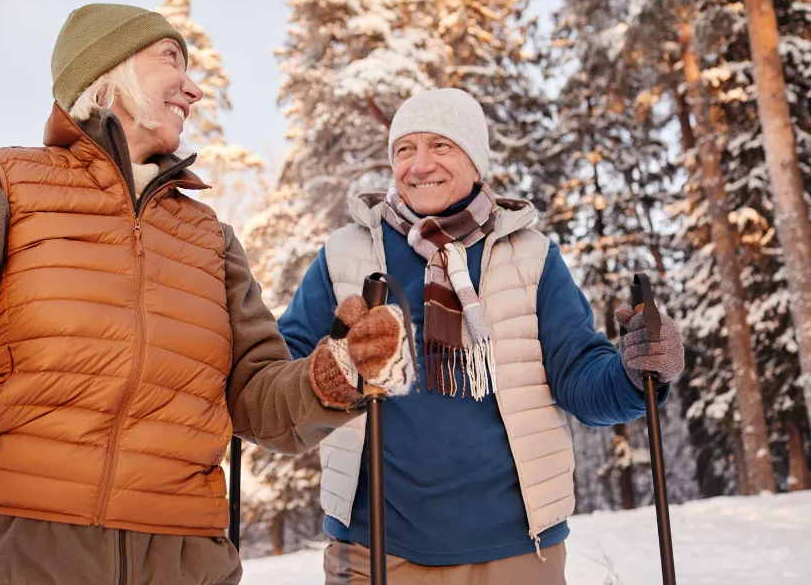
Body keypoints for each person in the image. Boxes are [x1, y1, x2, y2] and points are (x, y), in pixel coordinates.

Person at [0, 3, 412, 585]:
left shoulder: (209, 236)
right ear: (110, 71)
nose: (196, 88)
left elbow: (261, 400)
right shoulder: (6, 184)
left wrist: (340, 372)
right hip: (10, 551)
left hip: (179, 560)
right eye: (171, 60)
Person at [277, 88, 686, 584]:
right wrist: (334, 365)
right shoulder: (348, 254)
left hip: (516, 550)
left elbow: (580, 378)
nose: (419, 164)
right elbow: (281, 383)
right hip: (375, 548)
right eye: (404, 149)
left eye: (440, 146)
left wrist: (635, 370)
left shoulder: (528, 255)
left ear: (474, 158)